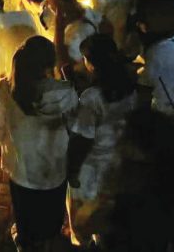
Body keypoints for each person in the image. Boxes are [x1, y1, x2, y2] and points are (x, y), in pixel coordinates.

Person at [0, 36, 78, 250]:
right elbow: (74, 126)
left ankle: (25, 242)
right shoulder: (65, 92)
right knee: (52, 209)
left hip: (21, 167)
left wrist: (2, 142)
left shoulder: (5, 88)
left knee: (24, 211)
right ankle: (49, 238)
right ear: (49, 65)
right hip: (53, 167)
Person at [66, 34, 137, 247]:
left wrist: (72, 170)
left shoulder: (93, 98)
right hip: (116, 162)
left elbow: (84, 140)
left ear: (94, 64)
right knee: (105, 216)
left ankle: (84, 243)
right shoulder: (129, 85)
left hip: (92, 167)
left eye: (86, 59)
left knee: (83, 220)